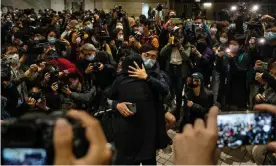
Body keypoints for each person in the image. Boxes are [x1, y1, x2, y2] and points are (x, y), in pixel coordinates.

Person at [160, 27, 191, 120]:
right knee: (169, 93)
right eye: (177, 36)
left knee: (178, 93)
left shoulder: (186, 45)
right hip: (170, 70)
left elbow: (186, 57)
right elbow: (161, 53)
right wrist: (169, 44)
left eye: (180, 37)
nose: (178, 38)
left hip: (180, 70)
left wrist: (180, 46)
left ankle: (177, 115)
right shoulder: (171, 44)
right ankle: (168, 113)